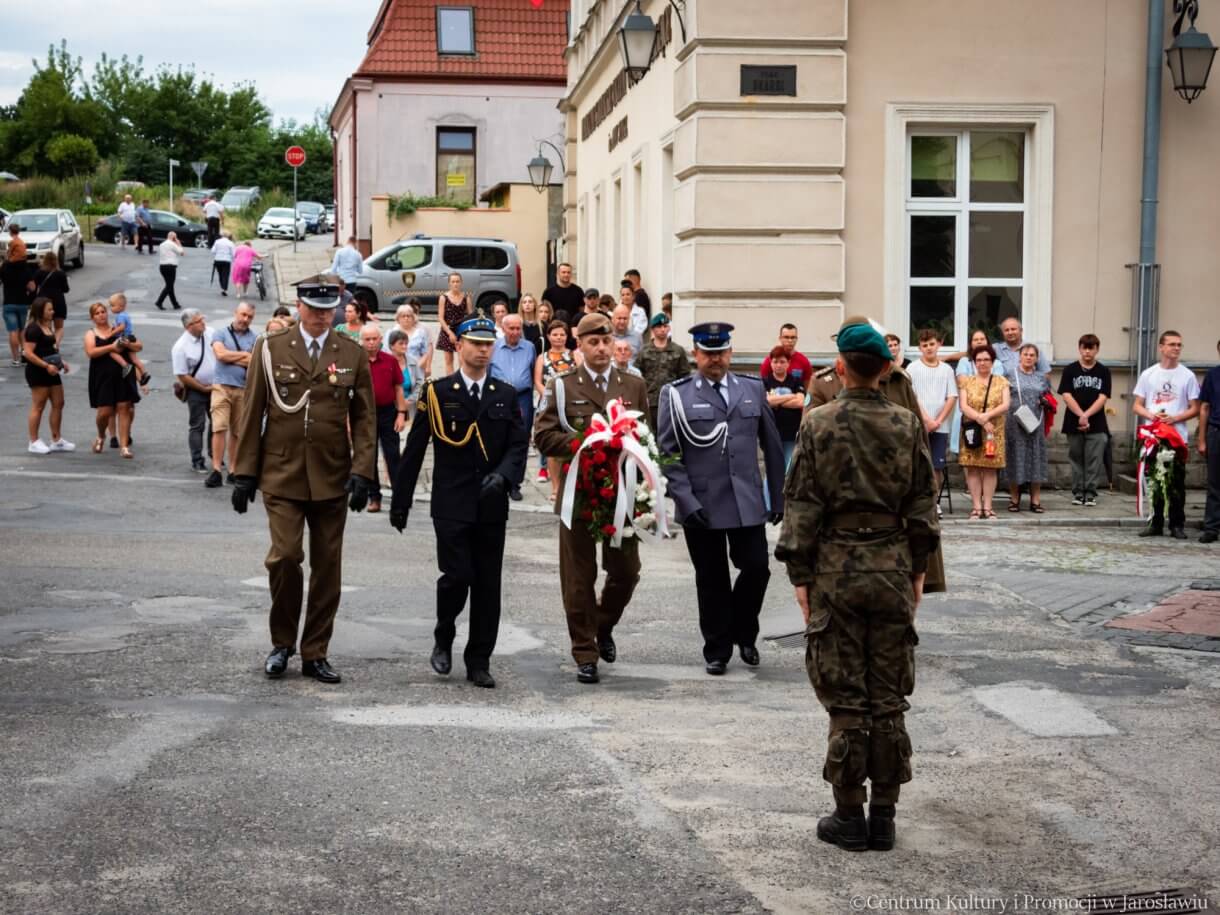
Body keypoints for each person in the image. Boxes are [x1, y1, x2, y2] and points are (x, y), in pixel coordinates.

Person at [774, 317, 939, 854]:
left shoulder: (817, 424)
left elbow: (801, 503)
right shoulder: (907, 424)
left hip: (836, 570)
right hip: (891, 567)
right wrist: (916, 571)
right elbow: (922, 504)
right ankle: (884, 816)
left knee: (846, 694)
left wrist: (800, 575)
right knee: (887, 693)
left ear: (840, 368)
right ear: (887, 368)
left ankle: (849, 815)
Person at [231, 282, 376, 684]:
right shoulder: (272, 347)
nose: (322, 315)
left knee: (328, 567)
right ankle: (282, 643)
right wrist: (244, 471)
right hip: (281, 472)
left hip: (332, 474)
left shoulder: (352, 353)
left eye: (328, 309)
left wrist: (364, 472)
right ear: (299, 307)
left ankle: (315, 651)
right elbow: (252, 407)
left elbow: (365, 419)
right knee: (284, 556)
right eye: (314, 308)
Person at [390, 314, 527, 689]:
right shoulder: (438, 392)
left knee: (487, 584)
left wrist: (505, 475)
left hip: (491, 503)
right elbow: (415, 450)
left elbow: (518, 444)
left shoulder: (504, 393)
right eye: (476, 344)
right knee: (457, 576)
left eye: (488, 344)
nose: (483, 350)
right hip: (451, 502)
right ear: (461, 346)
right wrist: (400, 501)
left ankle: (479, 659)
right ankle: (444, 633)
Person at [658, 322, 785, 675]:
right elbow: (668, 453)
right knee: (711, 579)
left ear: (730, 352)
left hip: (746, 500)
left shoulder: (752, 389)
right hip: (702, 503)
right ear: (695, 354)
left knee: (757, 568)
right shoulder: (677, 394)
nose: (715, 359)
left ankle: (745, 632)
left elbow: (772, 448)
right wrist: (685, 500)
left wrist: (778, 497)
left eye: (721, 352)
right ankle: (717, 649)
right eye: (708, 353)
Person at [535, 312, 651, 684]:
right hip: (580, 494)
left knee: (626, 572)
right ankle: (585, 652)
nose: (602, 348)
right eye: (594, 342)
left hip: (622, 494)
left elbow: (648, 436)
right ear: (580, 345)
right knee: (578, 578)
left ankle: (603, 625)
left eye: (606, 341)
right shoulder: (563, 385)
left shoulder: (632, 385)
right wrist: (586, 444)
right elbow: (543, 435)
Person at [806, 319, 947, 596]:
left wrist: (924, 560)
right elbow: (809, 460)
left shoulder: (897, 379)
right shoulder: (824, 382)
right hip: (840, 516)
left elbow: (920, 455)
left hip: (891, 517)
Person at [1133, 330, 1201, 539]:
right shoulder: (1149, 374)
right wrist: (1151, 415)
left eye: (1179, 345)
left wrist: (1176, 418)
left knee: (1175, 482)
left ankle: (1177, 524)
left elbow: (1195, 407)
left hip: (1176, 436)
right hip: (1153, 436)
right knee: (1154, 480)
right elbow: (1137, 405)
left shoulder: (1187, 376)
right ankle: (1155, 522)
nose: (1176, 348)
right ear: (1161, 347)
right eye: (1172, 344)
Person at [207, 301, 258, 489]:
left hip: (243, 389)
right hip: (221, 387)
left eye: (250, 317)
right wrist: (243, 356)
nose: (245, 320)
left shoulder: (256, 337)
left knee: (237, 432)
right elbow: (220, 355)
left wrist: (233, 356)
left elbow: (254, 362)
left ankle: (233, 469)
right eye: (243, 315)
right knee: (219, 428)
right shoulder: (220, 333)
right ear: (235, 312)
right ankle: (216, 469)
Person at [358, 323, 407, 513]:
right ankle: (374, 497)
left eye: (374, 339)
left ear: (380, 339)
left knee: (393, 455)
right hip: (364, 414)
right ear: (361, 341)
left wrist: (401, 414)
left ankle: (398, 498)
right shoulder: (356, 361)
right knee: (369, 458)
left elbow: (398, 388)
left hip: (388, 413)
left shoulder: (390, 360)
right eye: (367, 339)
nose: (371, 343)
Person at [1058, 334, 1112, 507]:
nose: (1088, 351)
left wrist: (1086, 415)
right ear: (1079, 348)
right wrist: (1080, 414)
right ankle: (1078, 492)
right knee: (1076, 458)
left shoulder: (1103, 371)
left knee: (1093, 459)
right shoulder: (1070, 370)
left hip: (1096, 422)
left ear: (1097, 349)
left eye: (1092, 348)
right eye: (1085, 347)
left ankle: (1090, 493)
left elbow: (1103, 397)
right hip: (1073, 421)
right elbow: (1066, 394)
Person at [958, 343, 1010, 519]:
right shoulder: (967, 382)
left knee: (990, 469)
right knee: (972, 468)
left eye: (986, 359)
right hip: (972, 431)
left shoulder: (1001, 381)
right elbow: (963, 406)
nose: (982, 363)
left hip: (993, 431)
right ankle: (976, 507)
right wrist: (981, 419)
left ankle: (988, 507)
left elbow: (1005, 404)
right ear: (973, 362)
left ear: (993, 361)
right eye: (978, 360)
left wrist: (987, 417)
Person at [84, 300, 142, 458]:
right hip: (102, 376)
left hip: (123, 374)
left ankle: (124, 446)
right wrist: (111, 347)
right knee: (105, 412)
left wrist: (126, 344)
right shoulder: (91, 333)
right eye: (97, 313)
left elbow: (139, 346)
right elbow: (91, 352)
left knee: (124, 408)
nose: (101, 315)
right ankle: (101, 435)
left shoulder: (117, 330)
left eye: (103, 311)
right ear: (92, 317)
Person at [906, 329, 957, 502]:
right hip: (920, 424)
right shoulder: (912, 368)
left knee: (936, 466)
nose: (929, 348)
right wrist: (927, 419)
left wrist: (939, 421)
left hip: (940, 426)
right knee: (919, 464)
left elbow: (951, 397)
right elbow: (912, 397)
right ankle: (920, 502)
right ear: (920, 348)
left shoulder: (947, 369)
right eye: (924, 345)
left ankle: (934, 503)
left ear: (939, 344)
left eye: (932, 344)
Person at [490, 313, 535, 502]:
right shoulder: (493, 347)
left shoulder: (530, 347)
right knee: (499, 438)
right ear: (503, 328)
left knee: (521, 439)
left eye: (518, 328)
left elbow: (533, 371)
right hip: (498, 397)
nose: (516, 332)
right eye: (512, 328)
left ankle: (515, 483)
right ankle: (499, 478)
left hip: (522, 398)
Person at [1004, 344, 1052, 513]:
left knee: (1035, 458)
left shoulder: (1042, 378)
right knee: (1015, 457)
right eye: (1025, 354)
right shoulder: (1010, 374)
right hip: (1014, 422)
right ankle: (1014, 498)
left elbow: (1048, 396)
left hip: (1035, 423)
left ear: (1037, 358)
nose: (1029, 357)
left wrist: (1045, 401)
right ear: (1020, 356)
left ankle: (1035, 500)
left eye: (1032, 355)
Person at [23, 297, 74, 454]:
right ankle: (33, 441)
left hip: (52, 370)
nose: (53, 312)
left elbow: (50, 350)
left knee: (59, 403)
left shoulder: (48, 326)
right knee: (38, 406)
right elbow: (28, 353)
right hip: (38, 371)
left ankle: (56, 439)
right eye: (49, 309)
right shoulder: (33, 329)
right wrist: (46, 366)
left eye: (52, 309)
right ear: (40, 311)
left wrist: (61, 362)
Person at [533, 319, 578, 493]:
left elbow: (579, 379)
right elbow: (537, 380)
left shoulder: (574, 355)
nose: (558, 338)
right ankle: (556, 488)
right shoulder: (542, 357)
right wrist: (551, 397)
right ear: (548, 336)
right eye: (555, 334)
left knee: (571, 443)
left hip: (570, 405)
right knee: (553, 444)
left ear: (567, 337)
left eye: (562, 334)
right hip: (549, 405)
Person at [171, 309, 217, 472]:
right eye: (199, 321)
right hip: (196, 390)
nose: (203, 322)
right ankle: (197, 460)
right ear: (189, 326)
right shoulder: (180, 347)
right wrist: (203, 388)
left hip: (216, 387)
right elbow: (182, 375)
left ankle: (215, 455)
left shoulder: (210, 333)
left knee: (217, 423)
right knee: (198, 425)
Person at [949, 329, 1006, 457]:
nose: (979, 341)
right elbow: (963, 383)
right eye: (976, 339)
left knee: (990, 453)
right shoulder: (964, 361)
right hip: (968, 410)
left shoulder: (997, 363)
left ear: (987, 342)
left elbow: (994, 386)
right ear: (971, 343)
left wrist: (976, 383)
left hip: (990, 412)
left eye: (982, 339)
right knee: (967, 451)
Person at [635, 312, 691, 419]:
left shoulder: (678, 350)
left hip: (671, 401)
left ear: (669, 328)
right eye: (659, 327)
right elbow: (637, 375)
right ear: (653, 329)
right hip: (650, 401)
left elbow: (685, 376)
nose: (662, 329)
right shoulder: (644, 351)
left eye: (665, 326)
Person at [763, 345, 804, 468]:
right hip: (771, 432)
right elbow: (766, 401)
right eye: (775, 362)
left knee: (789, 468)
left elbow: (800, 402)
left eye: (782, 362)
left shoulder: (796, 381)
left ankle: (787, 489)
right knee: (773, 468)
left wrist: (776, 401)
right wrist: (791, 396)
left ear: (788, 363)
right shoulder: (765, 381)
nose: (778, 365)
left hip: (792, 432)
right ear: (770, 363)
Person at [1198, 339, 1220, 544]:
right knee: (1214, 483)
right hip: (1216, 431)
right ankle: (1211, 527)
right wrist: (1202, 438)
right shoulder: (1213, 376)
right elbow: (1204, 407)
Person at [3, 224, 32, 366]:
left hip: (9, 302)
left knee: (12, 331)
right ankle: (23, 354)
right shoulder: (25, 267)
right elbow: (31, 286)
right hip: (22, 302)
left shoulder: (5, 266)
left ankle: (15, 359)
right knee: (22, 331)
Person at [436, 272, 473, 375]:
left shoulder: (466, 297)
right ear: (449, 283)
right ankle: (451, 385)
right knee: (449, 361)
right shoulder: (443, 297)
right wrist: (449, 333)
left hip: (461, 330)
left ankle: (462, 382)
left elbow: (470, 316)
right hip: (447, 330)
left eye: (457, 281)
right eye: (453, 281)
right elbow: (440, 318)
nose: (455, 284)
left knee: (462, 360)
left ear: (461, 283)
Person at [760, 324, 813, 391]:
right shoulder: (769, 361)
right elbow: (763, 386)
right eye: (786, 337)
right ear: (780, 338)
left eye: (793, 337)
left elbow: (807, 387)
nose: (790, 341)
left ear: (796, 339)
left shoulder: (803, 361)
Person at [31, 251, 69, 345]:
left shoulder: (39, 272)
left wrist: (32, 301)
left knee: (45, 326)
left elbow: (33, 287)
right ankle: (55, 345)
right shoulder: (61, 273)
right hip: (58, 301)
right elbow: (66, 289)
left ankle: (48, 345)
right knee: (59, 327)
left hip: (43, 301)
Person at [154, 232, 185, 311]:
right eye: (176, 237)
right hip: (170, 267)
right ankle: (159, 301)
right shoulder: (172, 244)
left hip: (162, 266)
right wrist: (179, 243)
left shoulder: (162, 244)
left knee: (169, 285)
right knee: (169, 286)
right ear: (174, 237)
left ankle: (175, 304)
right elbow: (182, 252)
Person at [212, 230, 236, 296]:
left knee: (220, 274)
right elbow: (234, 254)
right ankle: (224, 289)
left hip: (218, 260)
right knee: (225, 275)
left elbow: (213, 251)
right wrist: (233, 259)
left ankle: (222, 287)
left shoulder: (217, 242)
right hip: (226, 260)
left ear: (221, 235)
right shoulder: (230, 243)